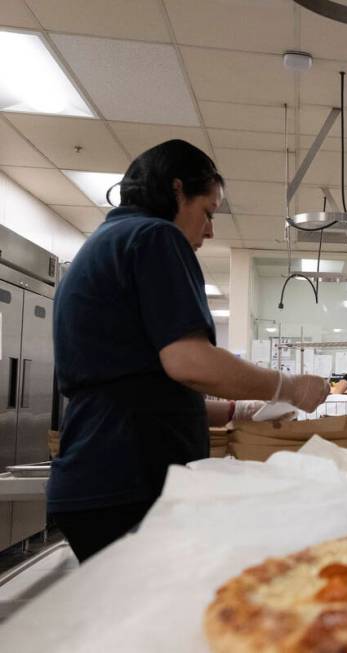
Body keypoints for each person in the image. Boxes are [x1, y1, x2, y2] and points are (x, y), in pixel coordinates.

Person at [49, 140, 329, 562]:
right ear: (177, 191)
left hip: (100, 471)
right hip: (128, 475)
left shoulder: (111, 242)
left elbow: (141, 387)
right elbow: (189, 362)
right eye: (209, 212)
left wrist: (238, 412)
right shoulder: (155, 236)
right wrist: (287, 387)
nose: (211, 229)